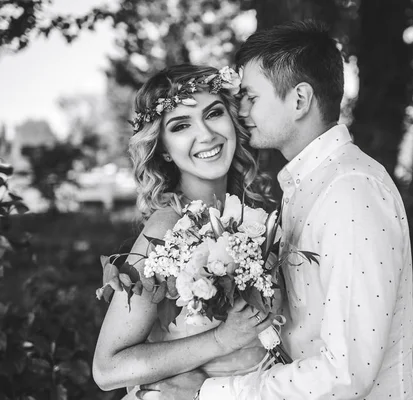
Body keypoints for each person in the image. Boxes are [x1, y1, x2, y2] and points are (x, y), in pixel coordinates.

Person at [139, 20, 413, 400]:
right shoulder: (302, 189)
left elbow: (346, 373)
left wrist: (211, 392)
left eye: (252, 97)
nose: (242, 110)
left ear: (300, 100)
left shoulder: (351, 191)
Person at [92, 64, 280, 399]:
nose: (206, 134)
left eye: (214, 113)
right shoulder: (167, 229)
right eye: (181, 126)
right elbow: (107, 369)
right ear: (163, 148)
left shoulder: (254, 214)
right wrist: (221, 339)